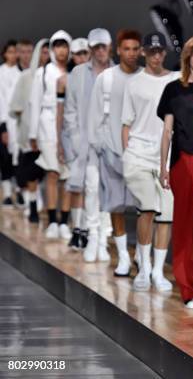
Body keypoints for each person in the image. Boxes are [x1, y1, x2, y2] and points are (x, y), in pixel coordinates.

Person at [157, 35, 193, 308]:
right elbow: (167, 132)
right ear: (188, 58)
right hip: (182, 161)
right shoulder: (173, 89)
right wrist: (162, 166)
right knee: (185, 227)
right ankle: (189, 289)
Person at [121, 32, 179, 291]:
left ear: (164, 52)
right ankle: (143, 267)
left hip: (167, 156)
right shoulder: (134, 83)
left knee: (165, 214)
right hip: (139, 153)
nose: (156, 55)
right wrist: (127, 153)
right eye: (151, 51)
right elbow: (126, 122)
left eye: (160, 51)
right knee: (146, 209)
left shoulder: (177, 80)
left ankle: (157, 271)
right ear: (144, 52)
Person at [89, 29, 142, 277]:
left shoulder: (146, 77)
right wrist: (101, 147)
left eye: (135, 48)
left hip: (141, 154)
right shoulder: (106, 78)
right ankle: (123, 257)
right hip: (111, 151)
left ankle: (142, 256)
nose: (131, 53)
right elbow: (95, 115)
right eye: (126, 48)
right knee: (116, 207)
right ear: (118, 50)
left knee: (145, 209)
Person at [59, 28, 113, 258]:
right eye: (96, 46)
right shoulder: (78, 74)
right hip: (86, 143)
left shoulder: (118, 72)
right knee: (90, 189)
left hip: (113, 144)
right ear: (91, 48)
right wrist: (76, 139)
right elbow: (70, 110)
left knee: (110, 193)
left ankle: (103, 239)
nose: (100, 50)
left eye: (103, 46)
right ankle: (91, 235)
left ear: (109, 46)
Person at [29, 30, 73, 239]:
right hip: (47, 125)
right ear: (53, 48)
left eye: (65, 45)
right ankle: (52, 220)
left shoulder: (75, 71)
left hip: (70, 127)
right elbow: (34, 102)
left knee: (67, 175)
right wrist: (32, 133)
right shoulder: (44, 72)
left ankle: (64, 221)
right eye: (57, 45)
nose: (61, 50)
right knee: (52, 173)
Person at [9, 39, 49, 223]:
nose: (46, 56)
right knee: (31, 173)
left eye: (49, 52)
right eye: (43, 52)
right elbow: (15, 105)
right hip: (30, 133)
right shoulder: (26, 77)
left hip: (51, 133)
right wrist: (28, 117)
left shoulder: (58, 76)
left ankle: (53, 213)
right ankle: (33, 205)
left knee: (52, 173)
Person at [0, 40, 23, 206]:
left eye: (15, 52)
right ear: (4, 54)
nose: (13, 55)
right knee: (5, 158)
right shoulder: (0, 73)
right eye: (10, 52)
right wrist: (3, 127)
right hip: (5, 121)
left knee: (19, 158)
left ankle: (19, 191)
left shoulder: (21, 73)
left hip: (20, 123)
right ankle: (7, 194)